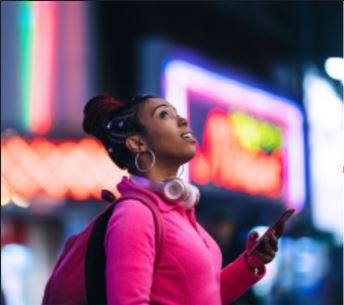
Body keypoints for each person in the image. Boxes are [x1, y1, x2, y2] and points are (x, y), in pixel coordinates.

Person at [82, 94, 280, 305]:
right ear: (137, 142)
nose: (183, 120)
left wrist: (249, 263)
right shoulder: (135, 214)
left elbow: (201, 296)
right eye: (164, 114)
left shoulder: (178, 211)